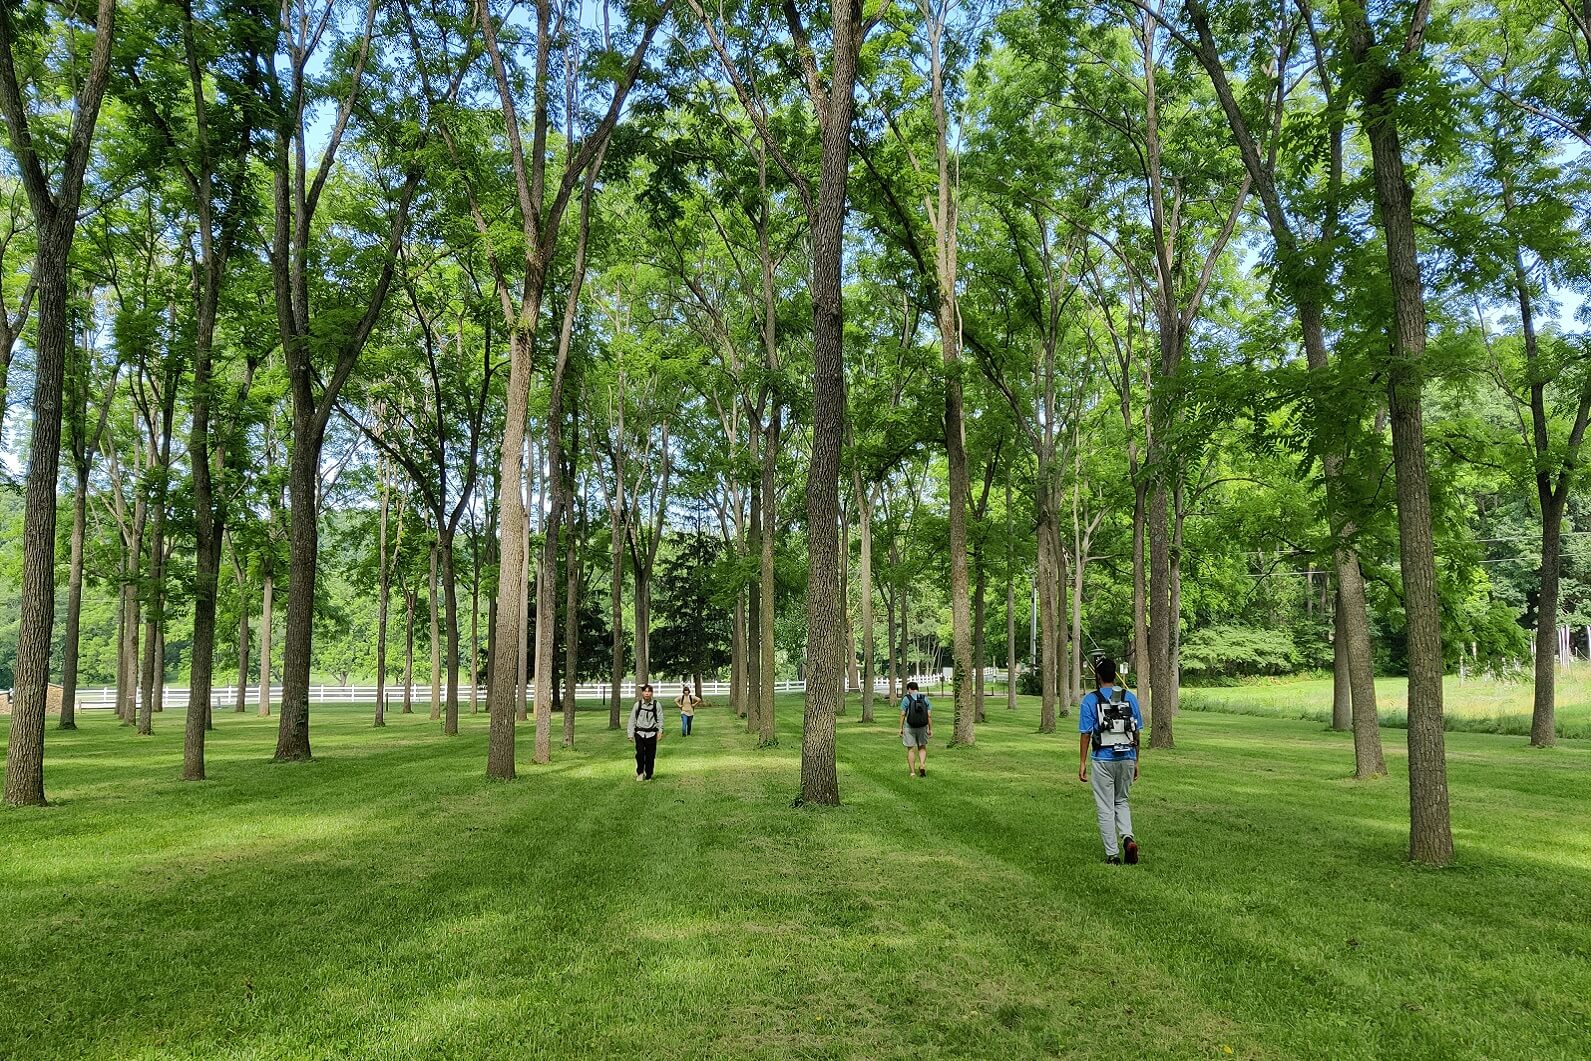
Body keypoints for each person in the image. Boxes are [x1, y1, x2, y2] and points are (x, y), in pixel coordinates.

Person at [1078, 656, 1143, 864]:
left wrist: (1082, 763)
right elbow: (1136, 732)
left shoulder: (1090, 700)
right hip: (1127, 757)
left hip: (1102, 758)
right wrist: (1136, 761)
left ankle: (1112, 855)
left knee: (1105, 806)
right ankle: (1128, 838)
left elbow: (1086, 734)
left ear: (1098, 676)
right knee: (1121, 800)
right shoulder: (1130, 698)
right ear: (1114, 675)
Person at [627, 683, 664, 781]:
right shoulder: (637, 705)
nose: (647, 694)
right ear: (642, 693)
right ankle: (640, 773)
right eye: (645, 691)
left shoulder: (656, 705)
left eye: (649, 691)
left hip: (652, 733)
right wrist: (630, 734)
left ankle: (649, 774)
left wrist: (660, 731)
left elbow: (660, 719)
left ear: (652, 693)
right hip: (639, 733)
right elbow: (632, 719)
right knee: (639, 754)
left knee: (650, 755)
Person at [898, 681, 932, 778]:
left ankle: (912, 773)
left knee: (911, 749)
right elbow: (929, 715)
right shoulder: (925, 698)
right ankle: (922, 764)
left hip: (909, 727)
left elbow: (902, 714)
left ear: (909, 689)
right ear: (917, 688)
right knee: (922, 747)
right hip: (922, 726)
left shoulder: (906, 699)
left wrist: (900, 728)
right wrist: (930, 729)